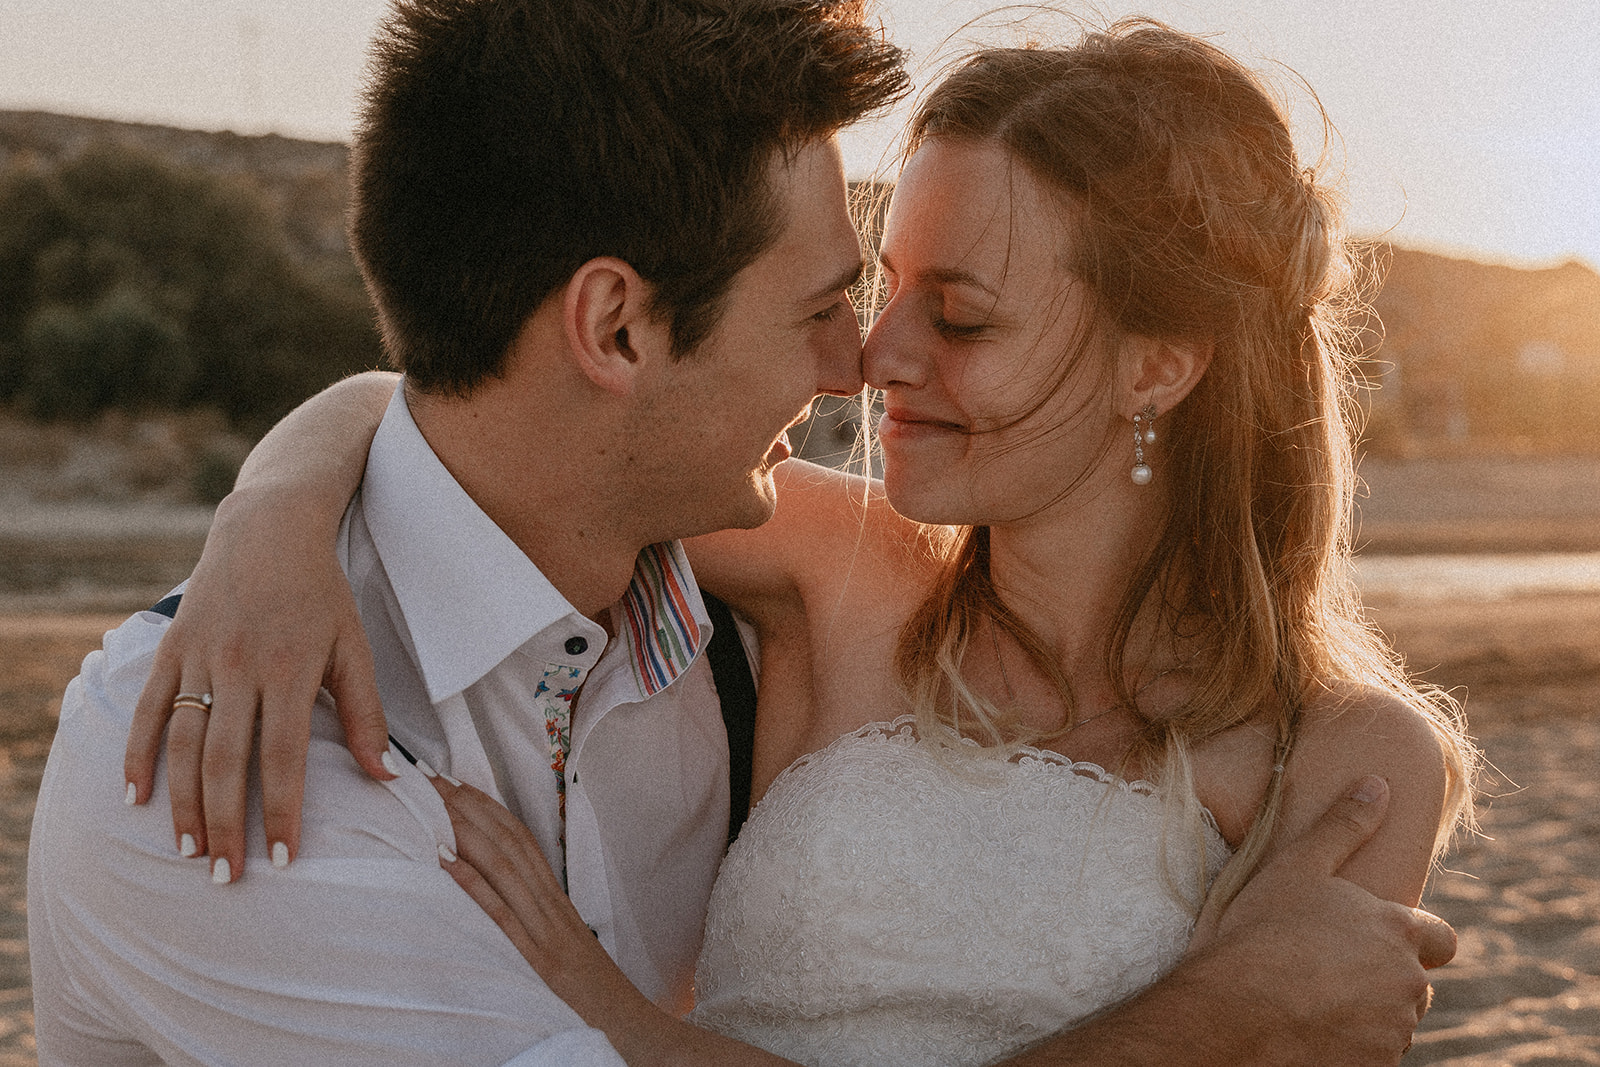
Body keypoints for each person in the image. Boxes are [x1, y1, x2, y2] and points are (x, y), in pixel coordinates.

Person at [43, 5, 1455, 1066]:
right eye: (871, 288)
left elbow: (493, 429)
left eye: (956, 318)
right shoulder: (819, 566)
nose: (875, 358)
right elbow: (481, 425)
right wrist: (273, 516)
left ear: (1163, 363)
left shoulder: (1350, 755)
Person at [28, 1, 905, 1063]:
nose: (851, 365)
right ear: (614, 328)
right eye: (817, 308)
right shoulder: (204, 759)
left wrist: (275, 492)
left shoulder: (756, 594)